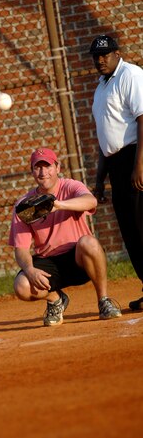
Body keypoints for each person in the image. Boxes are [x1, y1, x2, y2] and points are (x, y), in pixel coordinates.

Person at [8, 147, 122, 326]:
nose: (43, 172)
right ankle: (56, 300)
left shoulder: (70, 186)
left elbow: (91, 201)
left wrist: (58, 205)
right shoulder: (24, 205)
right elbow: (20, 249)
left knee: (89, 242)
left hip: (78, 258)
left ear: (57, 167)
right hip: (49, 262)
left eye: (48, 166)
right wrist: (29, 270)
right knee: (21, 286)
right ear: (32, 172)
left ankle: (103, 301)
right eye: (38, 167)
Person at [90, 35, 143, 311]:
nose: (100, 59)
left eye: (105, 54)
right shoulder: (101, 88)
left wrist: (139, 164)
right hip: (115, 166)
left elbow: (142, 117)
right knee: (131, 231)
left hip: (135, 158)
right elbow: (104, 138)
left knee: (142, 225)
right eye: (96, 56)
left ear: (117, 53)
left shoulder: (130, 75)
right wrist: (100, 180)